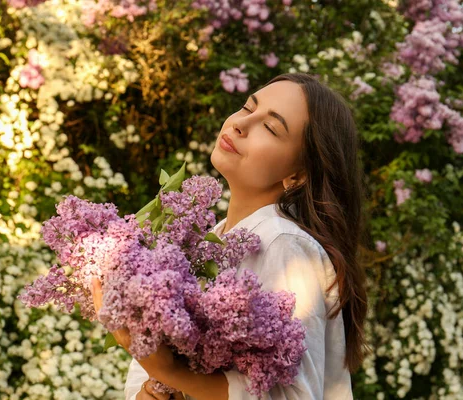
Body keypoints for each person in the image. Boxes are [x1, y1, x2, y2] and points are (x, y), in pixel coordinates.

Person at [116, 72, 371, 399]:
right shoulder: (209, 240)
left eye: (270, 127)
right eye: (247, 107)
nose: (240, 124)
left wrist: (170, 373)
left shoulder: (285, 244)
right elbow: (151, 373)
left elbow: (295, 395)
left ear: (298, 174)